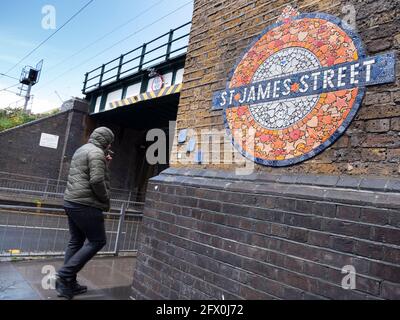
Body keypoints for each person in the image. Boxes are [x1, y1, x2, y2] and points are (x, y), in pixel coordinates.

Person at [56, 126, 114, 299]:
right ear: (106, 140)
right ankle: (65, 274)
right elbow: (96, 180)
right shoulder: (96, 153)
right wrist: (105, 198)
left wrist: (106, 163)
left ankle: (69, 284)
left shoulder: (82, 150)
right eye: (110, 141)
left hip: (71, 201)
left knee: (76, 241)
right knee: (97, 240)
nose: (110, 145)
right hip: (85, 204)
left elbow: (85, 173)